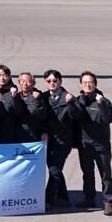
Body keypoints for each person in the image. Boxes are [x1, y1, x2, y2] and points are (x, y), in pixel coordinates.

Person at [74, 71, 112, 215]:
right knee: (87, 173)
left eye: (90, 82)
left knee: (105, 175)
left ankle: (108, 202)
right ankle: (89, 198)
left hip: (101, 145)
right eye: (85, 82)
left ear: (95, 84)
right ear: (81, 84)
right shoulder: (78, 100)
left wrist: (101, 103)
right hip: (85, 145)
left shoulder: (103, 100)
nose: (87, 84)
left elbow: (109, 118)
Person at [42, 68, 80, 208]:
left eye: (55, 80)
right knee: (55, 168)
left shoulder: (69, 97)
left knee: (54, 170)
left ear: (60, 81)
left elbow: (76, 117)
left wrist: (70, 103)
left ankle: (48, 199)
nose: (52, 83)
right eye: (49, 81)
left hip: (63, 141)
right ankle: (63, 197)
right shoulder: (44, 97)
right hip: (48, 140)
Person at [11, 72, 48, 143]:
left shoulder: (38, 97)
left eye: (28, 81)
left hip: (33, 136)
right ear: (19, 82)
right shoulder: (15, 96)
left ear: (34, 83)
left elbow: (43, 116)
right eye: (22, 81)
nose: (25, 84)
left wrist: (38, 100)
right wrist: (14, 97)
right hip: (16, 137)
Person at [0, 65, 20, 144]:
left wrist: (14, 97)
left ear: (9, 77)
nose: (2, 78)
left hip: (10, 133)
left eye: (5, 75)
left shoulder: (14, 92)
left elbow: (18, 112)